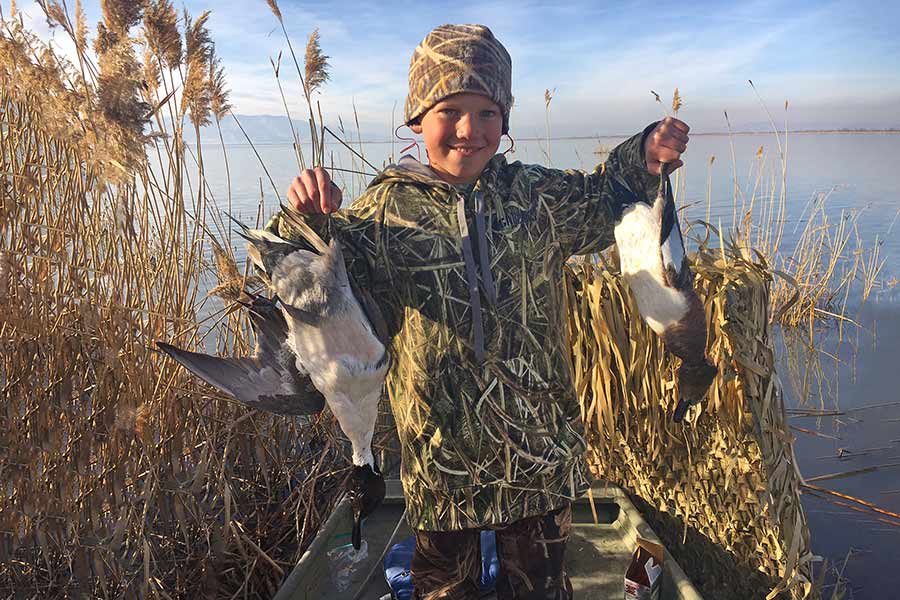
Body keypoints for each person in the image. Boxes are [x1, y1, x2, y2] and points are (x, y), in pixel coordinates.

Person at [272, 23, 690, 600]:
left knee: (541, 590)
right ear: (417, 119)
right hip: (440, 458)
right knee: (444, 590)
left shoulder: (535, 197)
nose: (469, 130)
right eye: (450, 110)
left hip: (539, 453)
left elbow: (604, 201)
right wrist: (306, 220)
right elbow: (305, 282)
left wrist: (642, 157)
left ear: (507, 120)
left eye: (488, 112)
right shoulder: (381, 214)